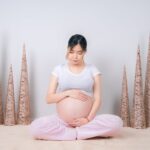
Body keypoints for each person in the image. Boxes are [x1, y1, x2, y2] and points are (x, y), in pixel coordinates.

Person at [29, 34, 123, 140]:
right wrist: (68, 93)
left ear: (85, 52)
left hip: (87, 121)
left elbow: (97, 99)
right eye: (72, 52)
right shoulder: (59, 70)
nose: (75, 56)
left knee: (117, 123)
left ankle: (74, 133)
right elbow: (49, 98)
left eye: (79, 53)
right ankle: (78, 134)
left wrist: (87, 119)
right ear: (68, 49)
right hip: (62, 121)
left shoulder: (93, 70)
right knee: (35, 128)